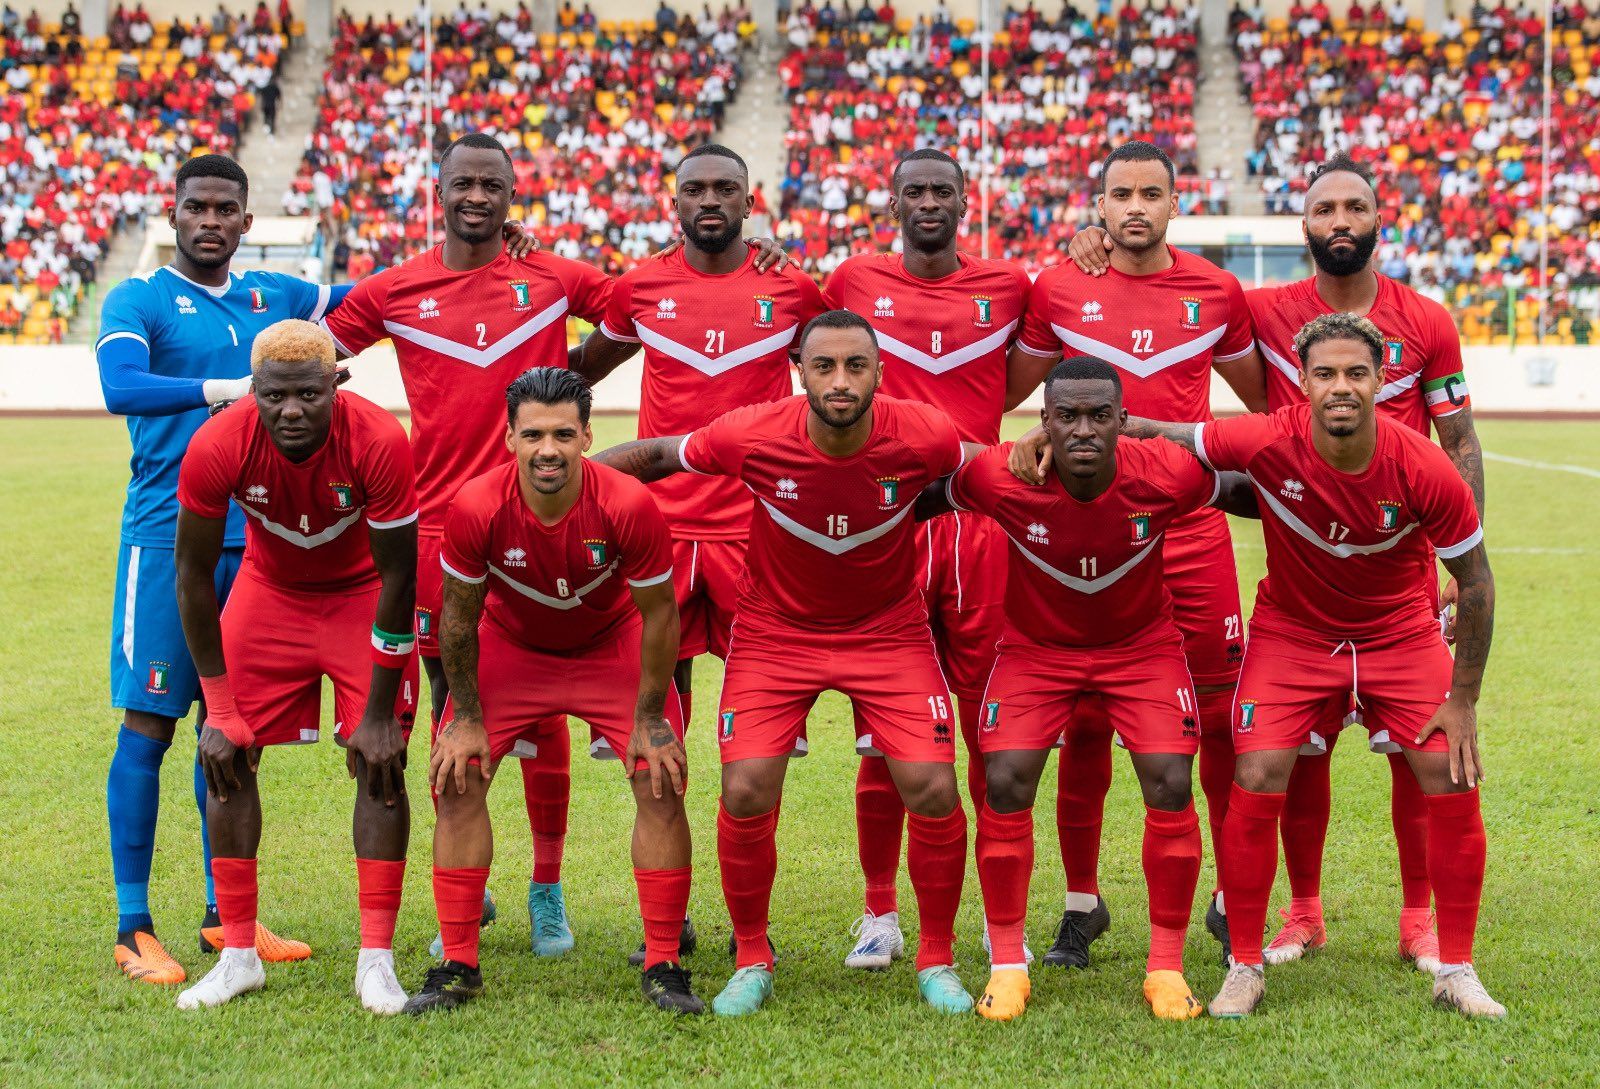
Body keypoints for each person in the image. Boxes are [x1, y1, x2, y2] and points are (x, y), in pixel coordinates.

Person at [1063, 152, 1486, 968]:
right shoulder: (1261, 311)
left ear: (1375, 218)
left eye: (1353, 209)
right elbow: (1169, 304)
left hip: (1401, 554)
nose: (1338, 223)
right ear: (1305, 225)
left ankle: (1418, 917)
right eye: (1324, 210)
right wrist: (1097, 244)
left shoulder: (1427, 320)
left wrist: (1451, 558)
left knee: (1416, 746)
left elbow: (1460, 442)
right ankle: (1303, 910)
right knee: (1304, 747)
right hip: (1304, 563)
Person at [592, 311, 976, 1017]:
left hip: (888, 631)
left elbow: (979, 466)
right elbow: (657, 455)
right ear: (799, 371)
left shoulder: (923, 431)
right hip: (775, 632)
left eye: (855, 366)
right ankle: (750, 956)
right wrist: (569, 479)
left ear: (879, 371)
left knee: (931, 787)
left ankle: (937, 958)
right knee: (744, 789)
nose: (839, 380)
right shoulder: (752, 432)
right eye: (823, 366)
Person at [1121, 312, 1502, 1019]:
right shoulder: (1267, 435)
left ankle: (1456, 967)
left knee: (1448, 768)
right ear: (1301, 382)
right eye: (1324, 373)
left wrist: (1464, 697)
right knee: (1256, 771)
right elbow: (1172, 436)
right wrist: (1082, 431)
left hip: (1398, 634)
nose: (1341, 387)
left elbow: (1476, 582)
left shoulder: (1422, 462)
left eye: (1357, 373)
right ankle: (1243, 963)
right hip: (1293, 636)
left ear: (1382, 380)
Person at [322, 133, 613, 958]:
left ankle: (546, 888)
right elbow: (319, 355)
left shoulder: (553, 276)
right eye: (464, 182)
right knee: (453, 699)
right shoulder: (396, 286)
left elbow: (639, 309)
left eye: (493, 183)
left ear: (513, 195)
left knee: (540, 703)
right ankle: (471, 875)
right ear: (438, 190)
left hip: (539, 522)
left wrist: (572, 375)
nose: (477, 194)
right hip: (438, 527)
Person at [928, 355, 1258, 1021]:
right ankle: (1008, 963)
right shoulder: (1000, 473)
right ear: (1041, 422)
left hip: (1141, 650)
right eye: (1067, 416)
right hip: (1035, 650)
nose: (1083, 429)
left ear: (1123, 422)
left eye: (1099, 416)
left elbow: (1256, 490)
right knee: (1006, 779)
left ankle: (1164, 965)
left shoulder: (1165, 473)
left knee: (1169, 778)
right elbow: (919, 490)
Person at [1005, 140, 1268, 968]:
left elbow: (1262, 406)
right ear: (1100, 203)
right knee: (1083, 718)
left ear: (1173, 202)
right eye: (1121, 193)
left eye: (1151, 193)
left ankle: (1230, 897)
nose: (1136, 207)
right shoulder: (1058, 285)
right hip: (1089, 531)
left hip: (1186, 532)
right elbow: (1011, 390)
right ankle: (1082, 904)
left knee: (1222, 718)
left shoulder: (1217, 292)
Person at [96, 154, 350, 985]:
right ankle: (134, 926)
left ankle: (223, 916)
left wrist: (489, 255)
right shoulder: (139, 299)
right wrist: (229, 389)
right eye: (195, 206)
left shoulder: (275, 298)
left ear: (247, 221)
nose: (210, 219)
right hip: (168, 539)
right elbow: (119, 384)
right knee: (150, 724)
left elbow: (372, 302)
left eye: (225, 208)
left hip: (263, 545)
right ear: (174, 215)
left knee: (234, 732)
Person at [573, 144, 826, 967]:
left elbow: (838, 369)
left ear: (750, 201)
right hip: (662, 525)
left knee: (757, 750)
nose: (709, 199)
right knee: (655, 730)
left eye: (725, 188)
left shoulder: (792, 287)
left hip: (761, 528)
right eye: (695, 188)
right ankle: (668, 916)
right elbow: (576, 369)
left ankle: (752, 919)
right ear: (673, 199)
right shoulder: (641, 286)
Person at [403, 367, 700, 1016]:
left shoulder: (626, 503)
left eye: (564, 434)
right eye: (533, 433)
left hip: (609, 641)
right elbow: (456, 619)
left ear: (588, 435)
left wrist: (650, 716)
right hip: (514, 646)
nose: (548, 449)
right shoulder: (477, 505)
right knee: (457, 774)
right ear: (508, 436)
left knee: (660, 775)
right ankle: (457, 962)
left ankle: (663, 962)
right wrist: (467, 718)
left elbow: (660, 617)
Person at [820, 147, 1031, 969]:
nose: (931, 202)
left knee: (989, 731)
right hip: (889, 524)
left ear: (965, 200)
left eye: (944, 190)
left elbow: (1026, 371)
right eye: (917, 191)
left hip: (979, 525)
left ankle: (992, 915)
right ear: (895, 202)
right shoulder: (852, 280)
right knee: (883, 736)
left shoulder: (1011, 286)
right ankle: (880, 915)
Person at [172, 320, 419, 1013]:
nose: (291, 411)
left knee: (381, 759)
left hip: (361, 591)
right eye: (274, 396)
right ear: (252, 391)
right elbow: (191, 577)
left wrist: (377, 714)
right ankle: (239, 952)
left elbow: (401, 576)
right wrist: (219, 707)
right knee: (222, 753)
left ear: (337, 383)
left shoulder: (378, 439)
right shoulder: (218, 443)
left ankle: (376, 960)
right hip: (268, 591)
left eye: (309, 394)